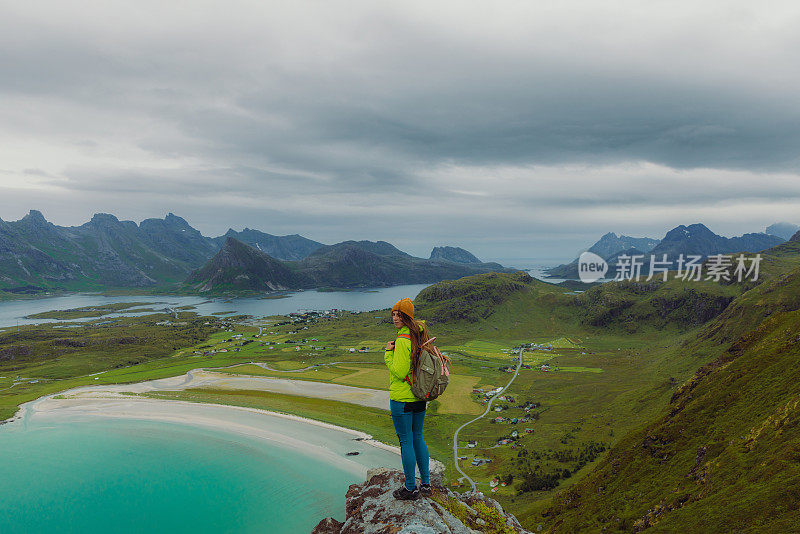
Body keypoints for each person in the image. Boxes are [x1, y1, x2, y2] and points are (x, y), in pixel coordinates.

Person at [384, 297, 432, 500]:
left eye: (399, 315)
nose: (395, 318)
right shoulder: (419, 336)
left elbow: (399, 370)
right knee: (418, 437)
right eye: (394, 314)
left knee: (406, 441)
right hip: (420, 396)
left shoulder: (403, 340)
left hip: (402, 399)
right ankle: (426, 485)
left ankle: (411, 488)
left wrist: (387, 353)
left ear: (407, 317)